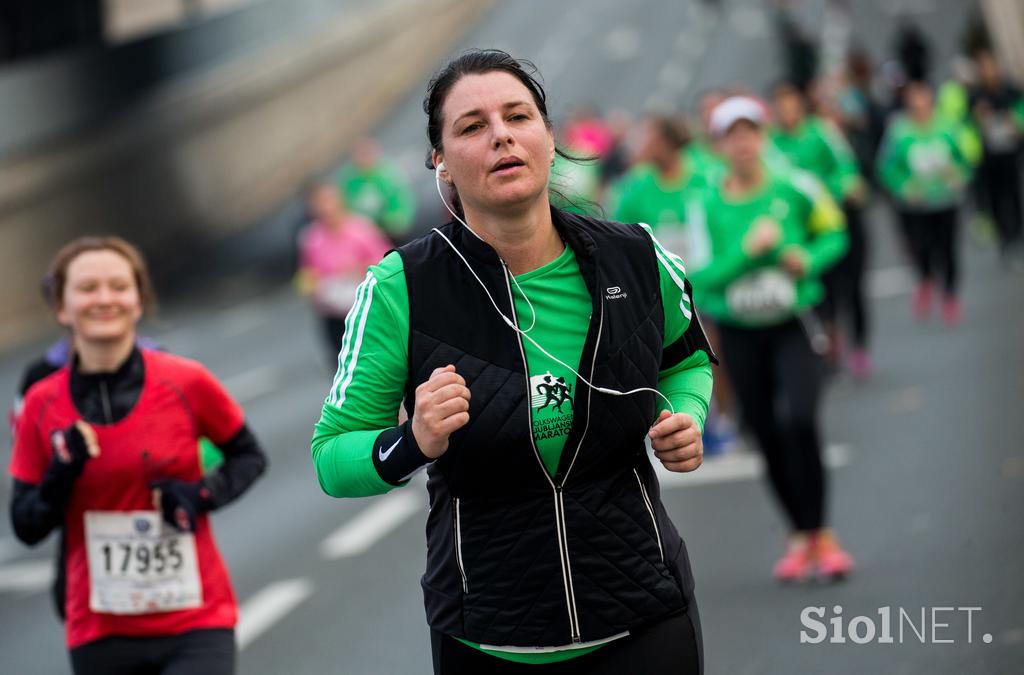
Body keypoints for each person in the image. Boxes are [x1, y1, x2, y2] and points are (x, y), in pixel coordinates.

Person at [311, 49, 716, 674]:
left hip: (644, 614)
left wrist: (685, 416)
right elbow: (333, 458)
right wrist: (412, 440)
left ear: (549, 139)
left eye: (518, 116)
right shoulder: (401, 288)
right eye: (472, 126)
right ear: (440, 161)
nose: (500, 134)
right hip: (489, 638)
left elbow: (687, 361)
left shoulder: (636, 258)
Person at [8, 236, 268, 674]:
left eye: (118, 286)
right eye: (88, 288)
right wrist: (61, 474)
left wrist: (199, 494)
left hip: (196, 619)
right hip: (100, 628)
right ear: (61, 307)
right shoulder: (41, 402)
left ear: (138, 300)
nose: (104, 298)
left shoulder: (185, 381)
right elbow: (25, 525)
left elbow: (249, 457)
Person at [686, 96, 854, 582]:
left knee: (801, 419)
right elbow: (699, 275)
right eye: (730, 134)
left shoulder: (795, 186)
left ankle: (822, 533)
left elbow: (834, 234)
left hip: (792, 323)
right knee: (766, 432)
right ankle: (800, 537)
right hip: (739, 332)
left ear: (762, 137)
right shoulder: (707, 203)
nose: (742, 142)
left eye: (750, 131)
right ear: (717, 145)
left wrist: (803, 257)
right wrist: (745, 252)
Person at [771, 80, 871, 378]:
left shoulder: (822, 132)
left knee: (852, 289)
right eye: (781, 108)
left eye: (792, 106)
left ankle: (860, 348)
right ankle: (831, 346)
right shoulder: (772, 144)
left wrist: (833, 189)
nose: (787, 113)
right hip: (805, 231)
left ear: (801, 106)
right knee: (820, 294)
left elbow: (846, 169)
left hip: (838, 221)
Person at [877, 80, 972, 324]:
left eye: (923, 98)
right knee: (919, 249)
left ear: (931, 99)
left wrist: (959, 176)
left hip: (945, 201)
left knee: (948, 250)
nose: (919, 104)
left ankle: (950, 295)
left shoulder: (948, 126)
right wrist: (903, 187)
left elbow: (966, 158)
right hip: (914, 206)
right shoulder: (898, 130)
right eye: (914, 99)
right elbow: (886, 167)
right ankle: (926, 280)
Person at [296, 182, 392, 362]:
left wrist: (360, 267)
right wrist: (311, 286)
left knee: (373, 361)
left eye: (328, 200)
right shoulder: (310, 238)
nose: (325, 207)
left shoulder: (361, 229)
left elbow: (387, 260)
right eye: (319, 203)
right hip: (333, 314)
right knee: (341, 362)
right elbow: (306, 273)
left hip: (364, 308)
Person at [969, 49, 1024, 260]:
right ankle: (1004, 236)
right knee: (994, 197)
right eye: (984, 68)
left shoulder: (1010, 90)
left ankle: (1017, 233)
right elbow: (966, 124)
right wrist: (978, 118)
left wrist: (1015, 122)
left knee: (1013, 194)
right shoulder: (975, 96)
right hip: (987, 156)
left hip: (1009, 152)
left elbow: (1020, 113)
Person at [337, 137, 417, 245]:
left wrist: (392, 223)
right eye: (359, 155)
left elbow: (402, 203)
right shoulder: (350, 181)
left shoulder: (388, 174)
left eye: (365, 154)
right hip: (367, 234)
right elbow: (346, 208)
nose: (363, 159)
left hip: (393, 229)